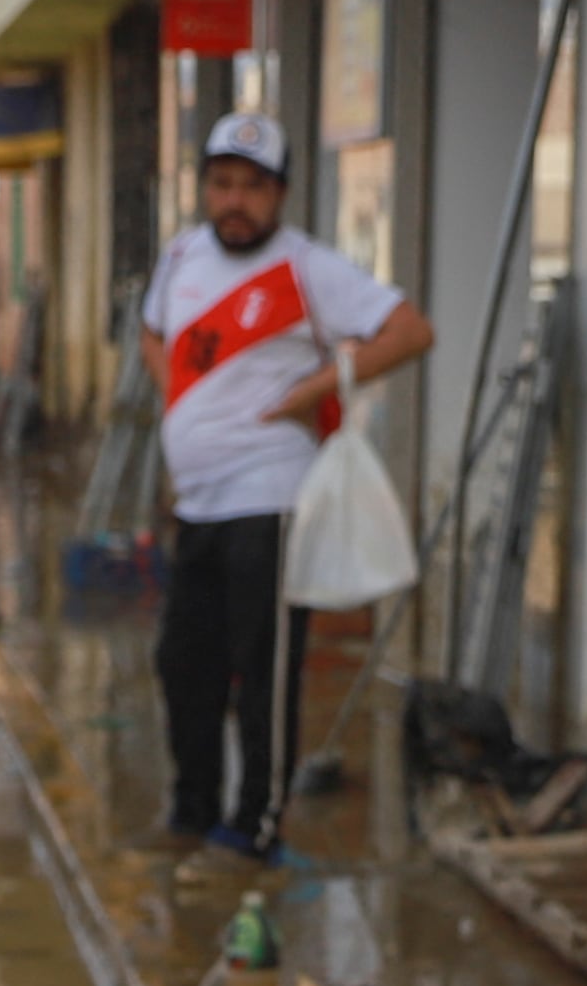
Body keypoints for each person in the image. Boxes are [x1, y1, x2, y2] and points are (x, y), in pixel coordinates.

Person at [142, 113, 433, 861]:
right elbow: (152, 334)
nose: (235, 201)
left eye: (252, 187)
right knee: (184, 664)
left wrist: (316, 389)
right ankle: (192, 807)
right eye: (222, 184)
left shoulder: (309, 268)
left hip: (270, 498)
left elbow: (408, 331)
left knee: (263, 669)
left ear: (281, 194)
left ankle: (255, 824)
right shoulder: (180, 258)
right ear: (204, 187)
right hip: (197, 501)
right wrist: (181, 402)